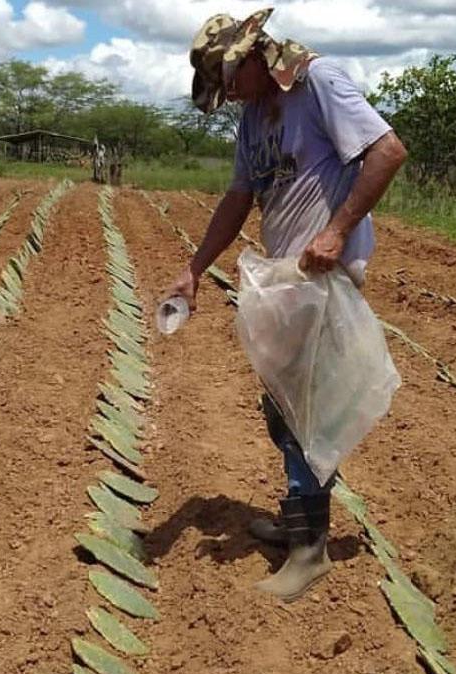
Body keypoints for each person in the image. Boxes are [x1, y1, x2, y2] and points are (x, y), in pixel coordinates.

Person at [165, 7, 408, 602]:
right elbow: (240, 197)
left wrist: (338, 230)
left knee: (301, 408)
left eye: (230, 78)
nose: (230, 93)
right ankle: (302, 519)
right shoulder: (255, 118)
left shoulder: (318, 82)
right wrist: (194, 270)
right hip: (292, 278)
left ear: (253, 56)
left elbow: (388, 151)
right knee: (285, 404)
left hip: (328, 274)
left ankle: (309, 550)